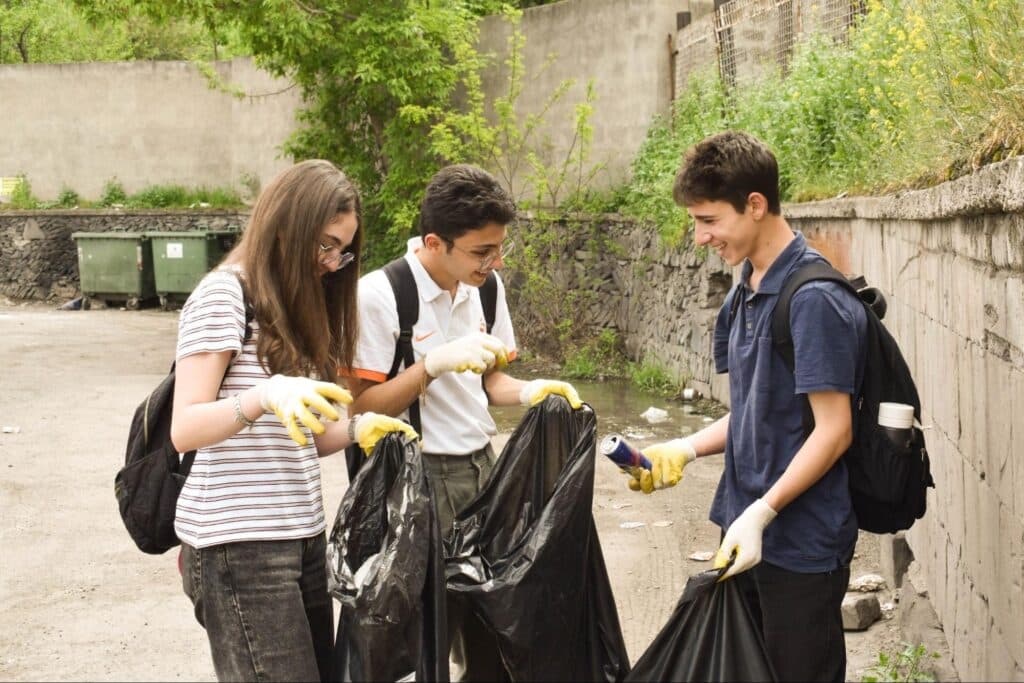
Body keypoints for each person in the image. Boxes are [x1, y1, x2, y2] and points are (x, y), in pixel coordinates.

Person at [630, 131, 867, 682]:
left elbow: (834, 431)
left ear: (755, 205)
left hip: (799, 544)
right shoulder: (745, 289)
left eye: (708, 220)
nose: (699, 237)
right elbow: (757, 410)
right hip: (743, 532)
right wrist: (683, 448)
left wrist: (765, 511)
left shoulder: (813, 300)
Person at [169, 159, 416, 683]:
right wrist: (263, 395)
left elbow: (307, 438)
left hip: (302, 537)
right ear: (285, 224)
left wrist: (355, 429)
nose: (332, 262)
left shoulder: (297, 306)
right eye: (324, 245)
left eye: (342, 250)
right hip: (237, 545)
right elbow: (185, 427)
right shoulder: (224, 295)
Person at [345, 163, 582, 681]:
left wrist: (529, 391)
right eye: (481, 252)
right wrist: (430, 366)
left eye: (499, 249)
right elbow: (360, 408)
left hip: (483, 470)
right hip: (417, 481)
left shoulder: (485, 289)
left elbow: (491, 382)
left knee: (492, 620)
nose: (493, 262)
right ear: (434, 242)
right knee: (424, 630)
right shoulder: (381, 296)